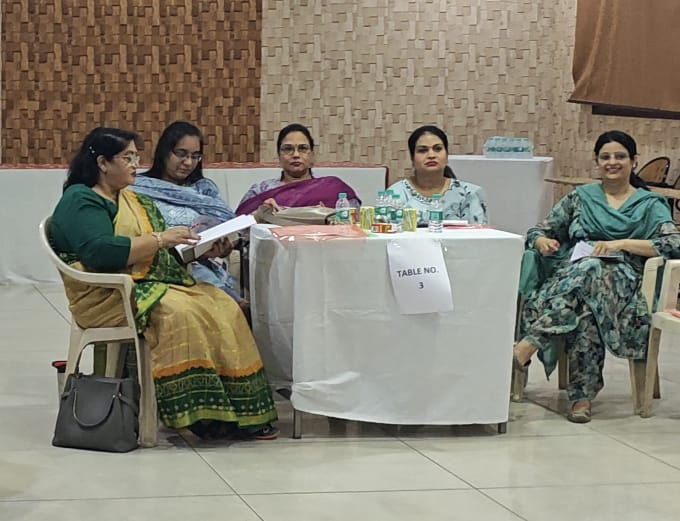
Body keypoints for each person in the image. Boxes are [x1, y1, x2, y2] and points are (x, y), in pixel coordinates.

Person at [49, 127, 278, 440]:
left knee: (221, 304)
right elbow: (100, 253)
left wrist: (201, 251)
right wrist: (159, 239)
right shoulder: (81, 199)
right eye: (127, 158)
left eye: (136, 157)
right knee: (179, 313)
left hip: (141, 282)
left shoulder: (130, 198)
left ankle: (241, 407)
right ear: (103, 163)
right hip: (105, 293)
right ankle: (200, 414)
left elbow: (152, 256)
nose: (135, 164)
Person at [513, 130, 680, 423]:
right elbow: (539, 230)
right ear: (597, 161)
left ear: (633, 161)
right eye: (605, 157)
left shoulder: (649, 204)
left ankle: (529, 345)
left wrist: (621, 244)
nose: (612, 162)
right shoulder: (581, 198)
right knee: (587, 301)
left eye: (620, 156)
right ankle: (581, 399)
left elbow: (671, 244)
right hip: (572, 276)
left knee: (591, 272)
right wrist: (542, 242)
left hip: (624, 282)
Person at [131, 121, 245, 307]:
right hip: (157, 265)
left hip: (203, 265)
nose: (189, 163)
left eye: (195, 156)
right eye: (181, 154)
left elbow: (225, 224)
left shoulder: (203, 189)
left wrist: (226, 246)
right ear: (164, 151)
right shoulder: (138, 187)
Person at [235, 123, 360, 214]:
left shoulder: (333, 189)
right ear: (279, 155)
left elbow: (356, 226)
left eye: (303, 148)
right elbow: (237, 232)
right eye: (288, 149)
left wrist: (328, 215)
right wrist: (260, 215)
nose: (295, 154)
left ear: (312, 155)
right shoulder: (261, 190)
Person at [388, 125, 488, 226]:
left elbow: (480, 234)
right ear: (412, 158)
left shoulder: (469, 194)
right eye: (422, 150)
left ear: (447, 155)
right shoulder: (395, 194)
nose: (431, 155)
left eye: (438, 149)